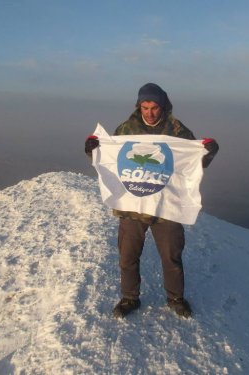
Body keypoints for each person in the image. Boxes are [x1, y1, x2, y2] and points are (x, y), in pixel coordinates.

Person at [85, 83, 218, 318]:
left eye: (154, 107)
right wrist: (93, 150)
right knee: (127, 256)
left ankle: (176, 298)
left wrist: (208, 153)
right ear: (139, 106)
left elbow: (191, 164)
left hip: (166, 206)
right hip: (132, 206)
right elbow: (111, 160)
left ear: (163, 106)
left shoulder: (177, 130)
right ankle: (129, 298)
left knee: (171, 256)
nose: (149, 113)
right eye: (145, 107)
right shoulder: (126, 129)